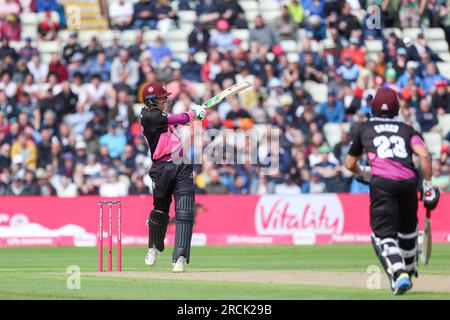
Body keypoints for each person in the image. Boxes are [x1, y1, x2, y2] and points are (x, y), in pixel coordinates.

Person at [344, 87, 440, 295]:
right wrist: (429, 187)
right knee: (407, 232)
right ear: (397, 108)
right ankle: (409, 268)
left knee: (382, 235)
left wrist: (364, 173)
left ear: (373, 107)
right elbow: (424, 156)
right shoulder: (407, 130)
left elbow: (350, 164)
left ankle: (399, 274)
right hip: (408, 183)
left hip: (383, 184)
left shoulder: (364, 128)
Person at [139, 82, 205, 272]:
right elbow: (180, 118)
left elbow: (181, 120)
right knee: (160, 212)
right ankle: (154, 246)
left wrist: (195, 115)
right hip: (161, 168)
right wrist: (193, 113)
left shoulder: (161, 116)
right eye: (162, 98)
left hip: (181, 164)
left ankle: (180, 259)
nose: (165, 101)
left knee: (185, 212)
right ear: (151, 101)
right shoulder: (149, 116)